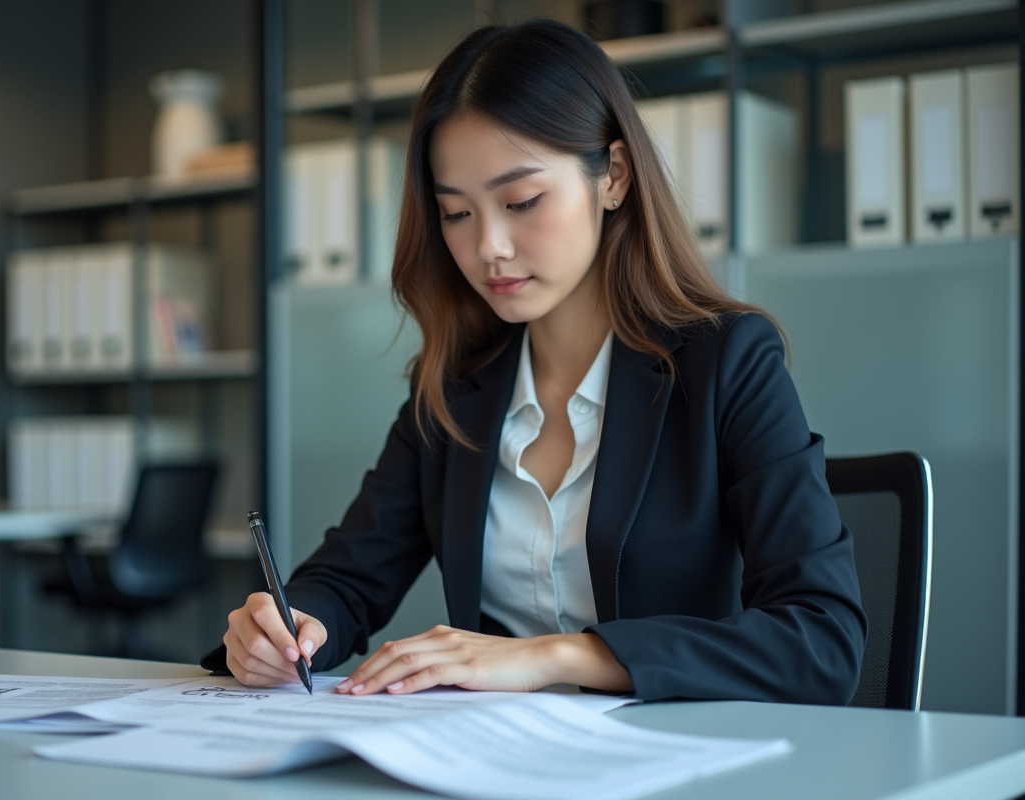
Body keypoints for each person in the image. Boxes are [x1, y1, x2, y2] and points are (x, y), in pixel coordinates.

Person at [222, 18, 866, 703]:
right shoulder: (454, 388)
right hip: (498, 758)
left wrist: (553, 657)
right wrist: (292, 626)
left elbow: (820, 639)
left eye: (521, 201)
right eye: (456, 214)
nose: (489, 247)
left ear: (613, 176)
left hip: (672, 758)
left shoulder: (726, 363)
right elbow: (350, 577)